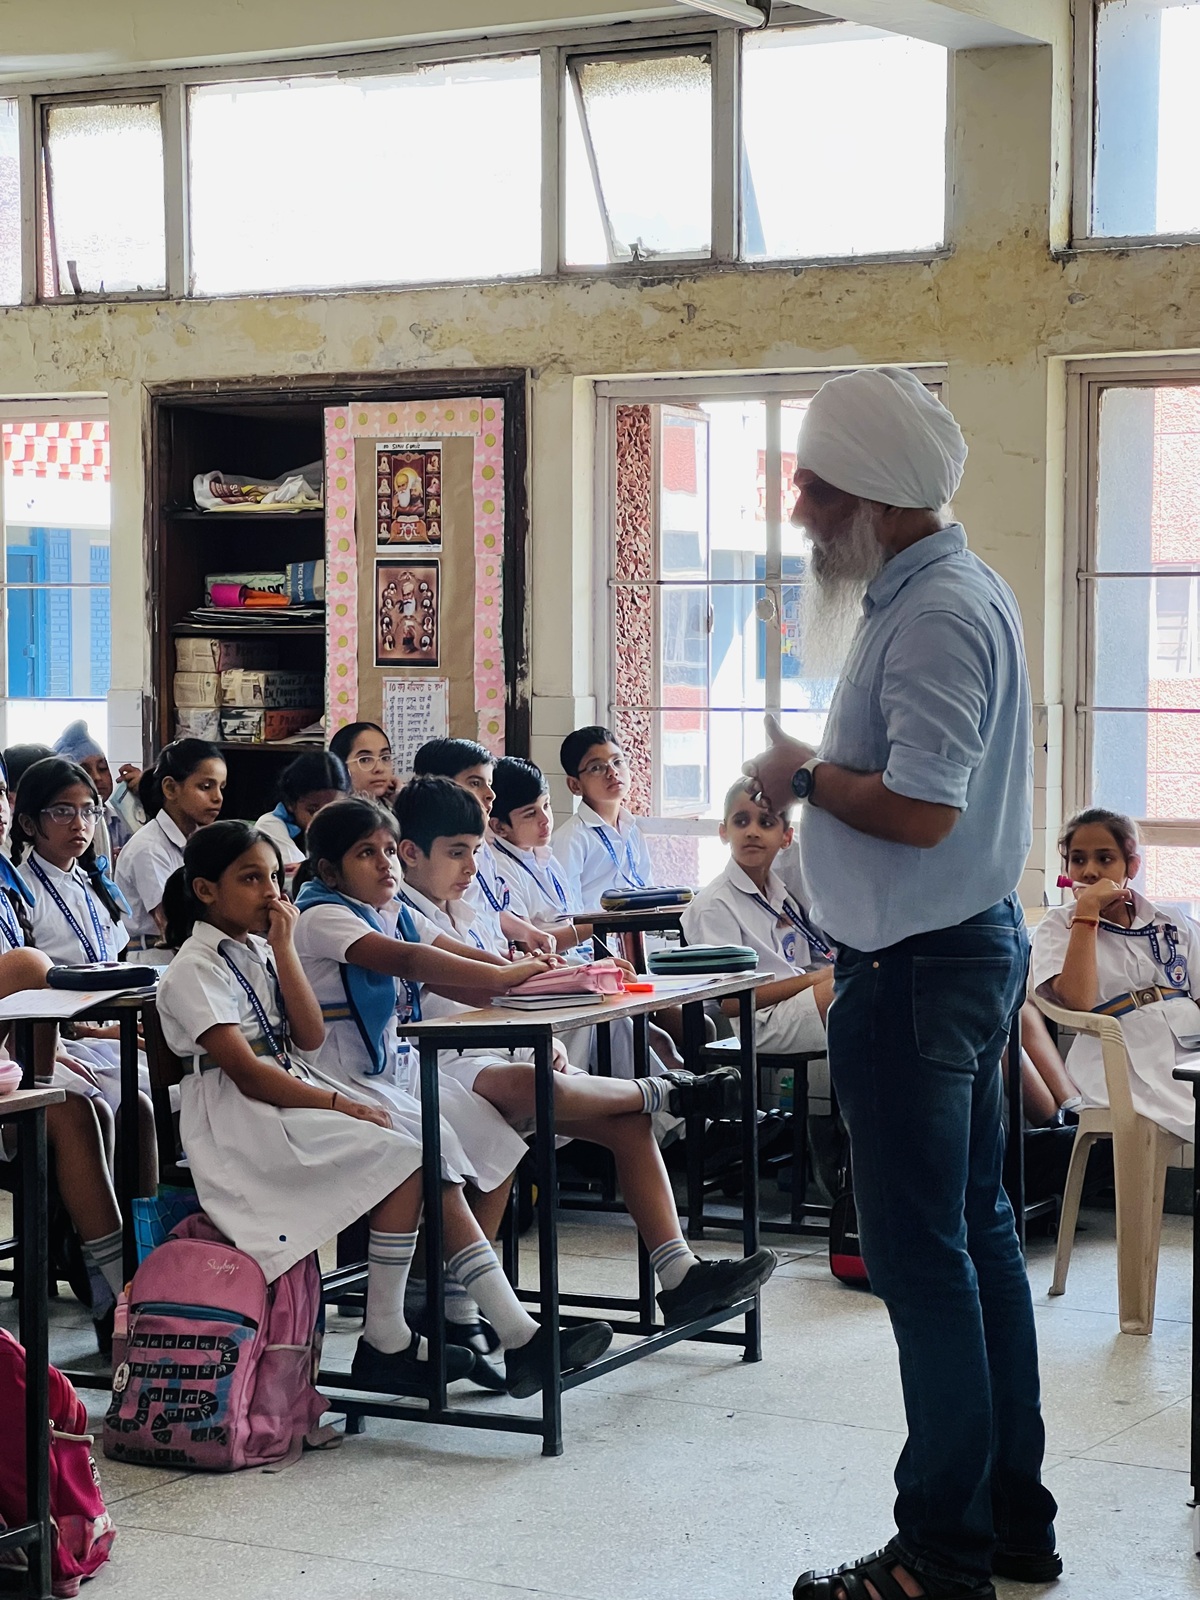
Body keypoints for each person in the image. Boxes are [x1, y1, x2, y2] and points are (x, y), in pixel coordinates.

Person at [743, 367, 1058, 1600]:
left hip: (920, 968)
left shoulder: (935, 614)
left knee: (924, 1260)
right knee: (974, 1241)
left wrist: (802, 774)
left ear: (873, 495)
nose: (801, 514)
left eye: (815, 491)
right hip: (953, 953)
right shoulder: (937, 591)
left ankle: (939, 1557)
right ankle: (1009, 1524)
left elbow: (924, 809)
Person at [154, 819, 612, 1399]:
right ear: (205, 890)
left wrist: (283, 950)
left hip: (289, 1090)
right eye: (250, 879)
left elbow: (308, 1037)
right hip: (242, 1118)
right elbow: (247, 1072)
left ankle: (484, 1336)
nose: (269, 892)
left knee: (423, 1152)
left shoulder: (259, 951)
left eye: (272, 877)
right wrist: (339, 1102)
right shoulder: (194, 967)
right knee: (406, 1155)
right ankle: (402, 1336)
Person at [394, 778, 772, 1326]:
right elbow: (487, 986)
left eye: (475, 852)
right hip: (436, 1064)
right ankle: (666, 1091)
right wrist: (544, 986)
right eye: (457, 853)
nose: (472, 867)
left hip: (490, 1052)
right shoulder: (403, 916)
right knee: (529, 1093)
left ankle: (680, 1276)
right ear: (410, 853)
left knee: (627, 1124)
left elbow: (503, 986)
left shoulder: (467, 910)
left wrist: (553, 1005)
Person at [0, 754, 129, 1352]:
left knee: (130, 1106)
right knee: (79, 1109)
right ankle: (113, 1288)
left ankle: (122, 1279)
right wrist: (44, 1054)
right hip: (22, 1054)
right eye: (62, 812)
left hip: (28, 1047)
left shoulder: (10, 884)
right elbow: (26, 983)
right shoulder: (26, 885)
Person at [11, 756, 159, 1194]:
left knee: (159, 1094)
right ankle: (96, 1229)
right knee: (123, 1102)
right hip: (53, 1039)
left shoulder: (95, 885)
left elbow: (113, 963)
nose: (79, 823)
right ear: (29, 823)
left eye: (89, 811)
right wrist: (94, 1032)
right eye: (62, 811)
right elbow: (30, 995)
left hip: (106, 1029)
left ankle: (144, 1220)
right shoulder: (24, 893)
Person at [1031, 807, 1194, 1142]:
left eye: (1105, 859)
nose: (1090, 871)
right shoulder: (1058, 926)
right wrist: (1087, 913)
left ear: (1131, 866)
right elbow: (1078, 999)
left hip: (1187, 1048)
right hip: (1119, 1062)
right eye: (1078, 860)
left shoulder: (1171, 920)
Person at [681, 780, 834, 1054]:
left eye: (766, 823)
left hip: (791, 1005)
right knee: (852, 987)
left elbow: (799, 967)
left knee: (869, 981)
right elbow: (731, 1003)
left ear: (786, 837)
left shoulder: (781, 896)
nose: (752, 832)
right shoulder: (714, 905)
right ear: (723, 831)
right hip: (757, 1024)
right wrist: (818, 979)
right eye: (741, 822)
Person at [411, 738, 556, 955]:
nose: (491, 794)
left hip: (496, 958)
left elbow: (490, 910)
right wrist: (506, 968)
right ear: (439, 786)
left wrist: (527, 933)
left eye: (489, 783)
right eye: (475, 783)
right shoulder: (433, 854)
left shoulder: (483, 847)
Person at [115, 739, 226, 959]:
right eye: (205, 787)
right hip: (155, 959)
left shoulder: (196, 841)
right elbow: (170, 925)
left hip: (189, 952)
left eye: (221, 788)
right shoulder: (149, 848)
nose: (217, 798)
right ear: (171, 788)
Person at [551, 726, 654, 911]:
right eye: (597, 768)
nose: (612, 772)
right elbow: (566, 913)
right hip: (593, 930)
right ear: (575, 785)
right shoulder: (572, 839)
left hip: (635, 926)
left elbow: (648, 890)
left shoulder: (632, 830)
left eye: (618, 762)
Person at [255, 750, 351, 882]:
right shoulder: (269, 826)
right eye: (313, 810)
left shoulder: (352, 826)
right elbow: (297, 881)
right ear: (290, 803)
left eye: (334, 810)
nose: (324, 819)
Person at [52, 721, 117, 865]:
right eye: (85, 771)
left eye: (102, 768)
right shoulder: (58, 827)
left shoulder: (121, 820)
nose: (97, 777)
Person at [328, 721, 399, 803]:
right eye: (365, 760)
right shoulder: (335, 809)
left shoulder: (393, 802)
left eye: (385, 758)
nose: (379, 768)